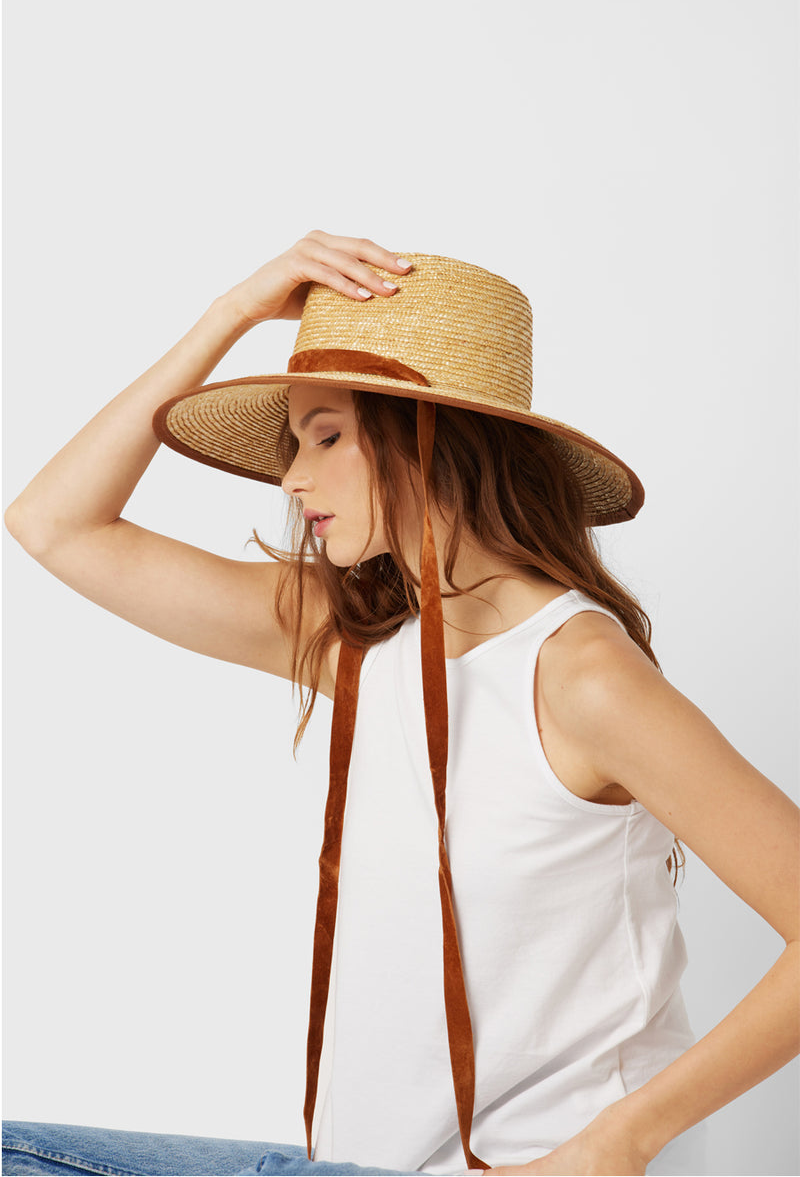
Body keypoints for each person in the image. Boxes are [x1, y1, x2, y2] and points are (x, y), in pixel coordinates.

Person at [3, 231, 798, 1177]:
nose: (294, 482)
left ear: (435, 440)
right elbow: (53, 523)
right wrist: (232, 313)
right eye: (297, 443)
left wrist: (616, 1144)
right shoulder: (361, 647)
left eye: (328, 436)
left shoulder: (579, 672)